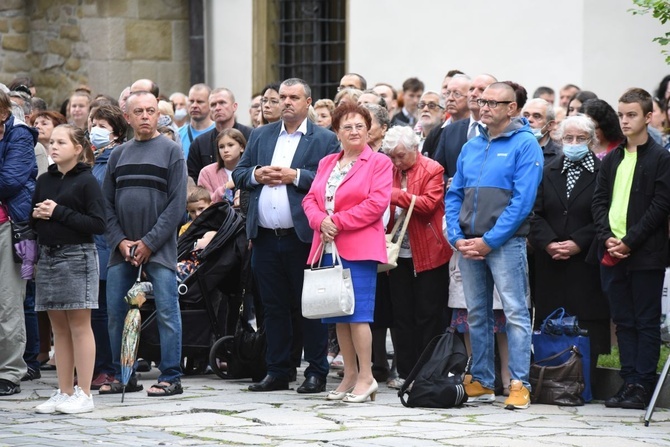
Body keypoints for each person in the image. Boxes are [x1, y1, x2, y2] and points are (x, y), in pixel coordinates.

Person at [233, 78, 340, 393]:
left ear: (308, 102)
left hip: (303, 238)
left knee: (311, 306)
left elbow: (330, 180)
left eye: (294, 97)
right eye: (282, 97)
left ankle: (316, 371)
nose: (287, 102)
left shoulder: (324, 139)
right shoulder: (262, 135)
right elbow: (239, 173)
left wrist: (296, 177)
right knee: (273, 306)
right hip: (265, 236)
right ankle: (278, 370)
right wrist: (256, 175)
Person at [445, 82, 543, 410]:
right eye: (482, 101)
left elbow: (522, 201)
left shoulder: (526, 144)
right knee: (477, 315)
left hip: (504, 244)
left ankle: (519, 383)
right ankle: (483, 382)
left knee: (515, 312)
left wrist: (490, 241)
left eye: (493, 103)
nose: (484, 107)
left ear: (512, 108)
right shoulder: (472, 146)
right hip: (469, 244)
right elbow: (454, 193)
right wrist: (456, 237)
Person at [302, 102, 392, 402]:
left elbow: (375, 205)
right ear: (336, 132)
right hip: (327, 246)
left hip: (359, 246)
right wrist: (320, 220)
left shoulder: (379, 163)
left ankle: (367, 377)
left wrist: (336, 222)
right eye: (347, 127)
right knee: (337, 314)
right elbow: (310, 200)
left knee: (358, 315)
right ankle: (350, 375)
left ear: (369, 130)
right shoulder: (328, 162)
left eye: (360, 126)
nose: (354, 131)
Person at [101, 89, 188, 397]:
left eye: (151, 111)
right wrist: (121, 241)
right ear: (128, 117)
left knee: (166, 309)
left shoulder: (171, 150)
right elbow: (106, 205)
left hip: (159, 247)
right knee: (114, 311)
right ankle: (124, 375)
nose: (146, 117)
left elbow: (177, 205)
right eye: (139, 112)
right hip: (121, 249)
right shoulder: (117, 154)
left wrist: (149, 242)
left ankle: (171, 376)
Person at [592, 88, 670, 410]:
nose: (624, 121)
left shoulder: (661, 158)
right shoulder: (613, 157)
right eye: (621, 115)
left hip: (645, 253)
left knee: (645, 320)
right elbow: (598, 201)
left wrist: (630, 241)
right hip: (612, 251)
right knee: (622, 320)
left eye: (632, 115)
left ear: (648, 116)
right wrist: (608, 236)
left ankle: (643, 384)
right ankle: (627, 382)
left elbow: (660, 205)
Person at [528, 115, 610, 388]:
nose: (574, 143)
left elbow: (605, 214)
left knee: (586, 321)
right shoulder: (548, 169)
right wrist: (549, 241)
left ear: (592, 141)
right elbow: (534, 213)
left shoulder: (602, 172)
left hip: (584, 261)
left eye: (581, 138)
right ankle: (550, 380)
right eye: (568, 138)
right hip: (550, 261)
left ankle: (585, 383)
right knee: (551, 320)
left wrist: (578, 241)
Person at [31, 125, 105, 414]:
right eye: (52, 142)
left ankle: (84, 393)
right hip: (48, 257)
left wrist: (57, 212)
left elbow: (97, 225)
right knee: (58, 330)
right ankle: (63, 391)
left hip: (77, 257)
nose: (54, 146)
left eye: (62, 142)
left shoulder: (87, 181)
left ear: (77, 148)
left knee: (78, 325)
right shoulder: (44, 180)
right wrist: (38, 216)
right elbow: (34, 221)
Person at [382, 125, 451, 390]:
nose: (397, 162)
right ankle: (406, 372)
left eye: (401, 155)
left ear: (415, 149)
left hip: (428, 252)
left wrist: (394, 194)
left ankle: (428, 371)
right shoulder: (388, 169)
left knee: (428, 314)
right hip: (396, 254)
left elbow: (428, 205)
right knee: (401, 315)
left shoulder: (432, 168)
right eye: (392, 157)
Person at [0, 90, 37, 396]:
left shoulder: (20, 135)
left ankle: (10, 372)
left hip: (10, 227)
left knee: (9, 300)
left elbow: (10, 181)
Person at [88, 105, 128, 390]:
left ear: (116, 131)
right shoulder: (92, 159)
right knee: (94, 310)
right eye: (93, 123)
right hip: (89, 244)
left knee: (104, 310)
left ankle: (108, 367)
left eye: (101, 124)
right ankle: (96, 364)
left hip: (106, 244)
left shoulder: (115, 158)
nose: (95, 128)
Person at [187, 88, 252, 181]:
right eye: (213, 105)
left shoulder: (252, 136)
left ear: (234, 106)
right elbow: (193, 179)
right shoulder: (199, 143)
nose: (217, 108)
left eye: (222, 103)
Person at [197, 128, 246, 203]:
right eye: (221, 147)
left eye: (230, 145)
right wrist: (226, 187)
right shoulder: (206, 173)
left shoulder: (251, 171)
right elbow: (205, 204)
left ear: (241, 147)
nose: (226, 150)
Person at [178, 84, 215, 159]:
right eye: (191, 101)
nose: (194, 105)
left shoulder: (220, 133)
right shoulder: (177, 135)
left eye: (200, 102)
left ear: (210, 104)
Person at [521, 98, 560, 163]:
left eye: (536, 116)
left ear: (550, 125)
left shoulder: (560, 155)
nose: (529, 120)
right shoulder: (512, 147)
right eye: (526, 115)